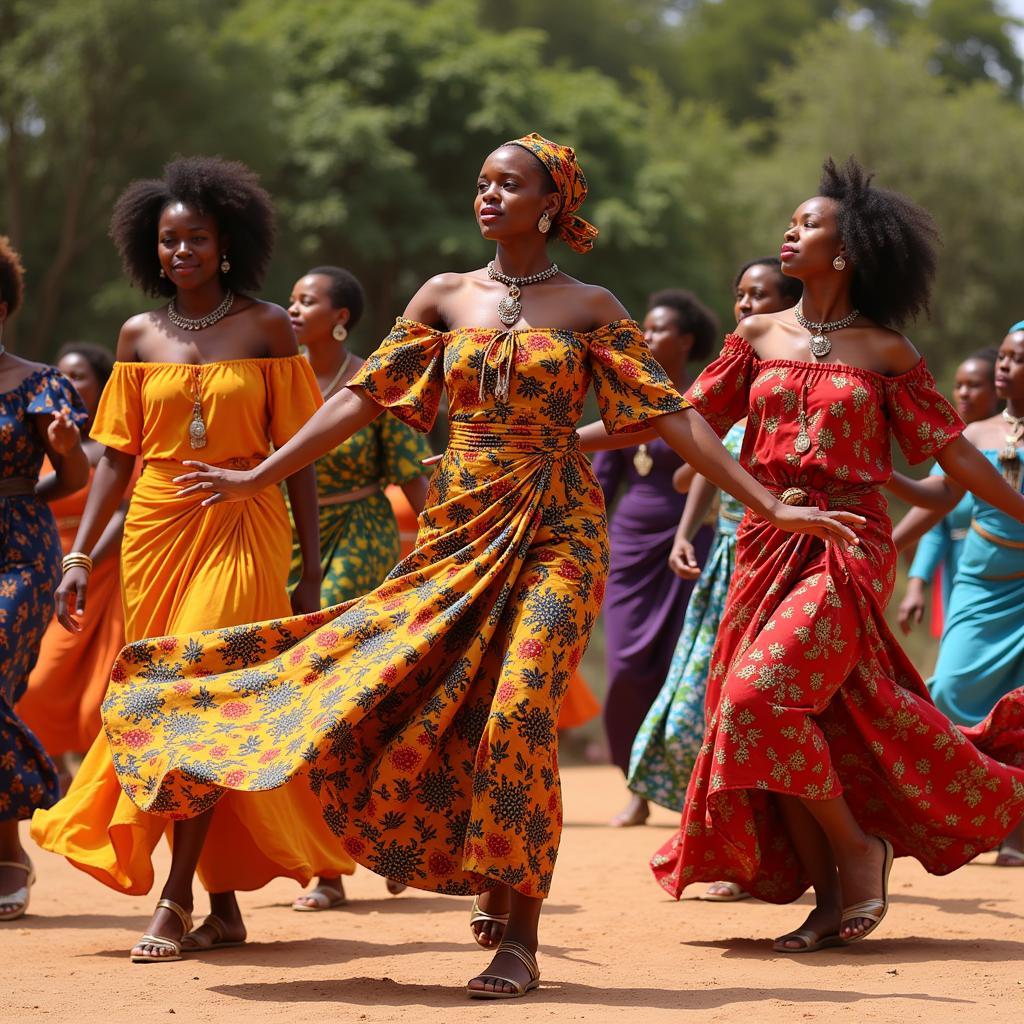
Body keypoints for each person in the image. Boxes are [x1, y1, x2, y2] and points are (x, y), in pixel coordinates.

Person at [96, 132, 858, 999]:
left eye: (510, 184)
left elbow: (671, 416)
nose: (489, 196)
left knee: (519, 715)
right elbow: (361, 396)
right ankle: (484, 873)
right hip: (457, 528)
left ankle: (520, 936)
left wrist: (767, 501)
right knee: (434, 702)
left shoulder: (588, 305)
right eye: (483, 183)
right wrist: (259, 473)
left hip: (558, 529)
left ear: (551, 205)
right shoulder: (443, 296)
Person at [650, 157, 1024, 955]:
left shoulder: (886, 352)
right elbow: (680, 421)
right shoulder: (756, 335)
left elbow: (952, 453)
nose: (789, 231)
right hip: (763, 541)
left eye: (806, 222)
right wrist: (558, 445)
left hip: (848, 543)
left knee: (757, 700)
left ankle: (859, 849)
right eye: (790, 221)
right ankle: (828, 899)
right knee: (788, 720)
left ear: (846, 249)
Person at [31, 156, 351, 961]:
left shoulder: (270, 325)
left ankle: (174, 903)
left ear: (227, 242)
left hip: (246, 525)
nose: (183, 252)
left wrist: (311, 567)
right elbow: (114, 459)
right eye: (170, 240)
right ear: (151, 246)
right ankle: (225, 905)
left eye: (197, 239)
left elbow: (299, 454)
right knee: (174, 706)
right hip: (155, 534)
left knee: (202, 702)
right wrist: (78, 557)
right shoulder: (139, 336)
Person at [627, 258, 800, 905]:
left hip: (787, 559)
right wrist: (681, 532)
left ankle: (789, 851)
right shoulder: (731, 371)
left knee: (763, 704)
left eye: (761, 294)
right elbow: (697, 456)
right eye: (740, 294)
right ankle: (727, 848)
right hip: (727, 562)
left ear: (790, 303)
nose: (746, 304)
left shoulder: (793, 369)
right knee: (706, 703)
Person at [285, 265, 431, 911]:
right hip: (285, 536)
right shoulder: (279, 373)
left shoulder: (376, 376)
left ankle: (346, 861)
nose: (292, 308)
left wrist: (441, 545)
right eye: (290, 298)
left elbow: (410, 475)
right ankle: (341, 849)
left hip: (359, 537)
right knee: (295, 698)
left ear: (340, 316)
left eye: (306, 300)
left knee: (344, 693)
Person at [593, 289, 718, 829]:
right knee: (625, 669)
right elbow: (601, 483)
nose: (644, 337)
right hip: (630, 548)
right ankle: (634, 783)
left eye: (659, 329)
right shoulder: (623, 397)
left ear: (686, 341)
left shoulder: (708, 397)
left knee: (682, 668)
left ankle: (689, 787)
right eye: (641, 327)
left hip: (692, 543)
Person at [906, 326, 1024, 863]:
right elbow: (938, 498)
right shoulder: (974, 434)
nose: (1003, 367)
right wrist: (882, 487)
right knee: (950, 689)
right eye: (1001, 356)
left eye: (1016, 360)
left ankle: (1016, 828)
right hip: (978, 584)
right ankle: (971, 807)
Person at [0, 236, 89, 920]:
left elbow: (76, 479)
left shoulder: (38, 382)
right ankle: (8, 848)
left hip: (20, 551)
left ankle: (15, 847)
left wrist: (62, 452)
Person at [18, 343, 128, 781]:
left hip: (103, 572)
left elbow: (124, 512)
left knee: (99, 689)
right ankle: (50, 766)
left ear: (102, 387)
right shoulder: (39, 441)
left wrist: (79, 563)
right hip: (41, 566)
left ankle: (89, 780)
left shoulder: (117, 446)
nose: (68, 385)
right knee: (37, 681)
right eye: (61, 376)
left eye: (80, 376)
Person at [894, 349, 999, 636]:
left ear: (998, 390)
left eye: (974, 385)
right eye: (959, 385)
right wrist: (917, 583)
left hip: (1004, 572)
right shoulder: (954, 451)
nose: (963, 393)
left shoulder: (1006, 447)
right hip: (959, 574)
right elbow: (936, 523)